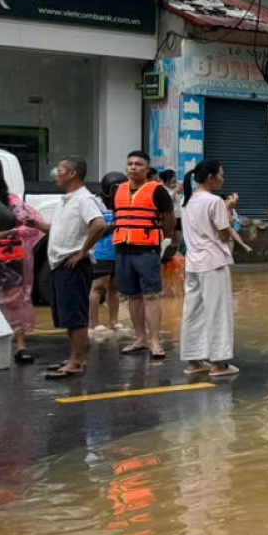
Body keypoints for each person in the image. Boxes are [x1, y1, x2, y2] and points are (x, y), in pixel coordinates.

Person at [44, 157, 106, 379]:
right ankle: (75, 356)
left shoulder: (84, 199)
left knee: (76, 316)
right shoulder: (67, 199)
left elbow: (99, 224)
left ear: (72, 174)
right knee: (68, 316)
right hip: (60, 263)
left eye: (59, 169)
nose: (55, 173)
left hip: (73, 265)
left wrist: (82, 251)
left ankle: (77, 362)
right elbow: (59, 229)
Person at [0, 166, 49, 362]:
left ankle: (20, 346)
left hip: (11, 260)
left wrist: (11, 232)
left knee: (15, 303)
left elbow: (33, 228)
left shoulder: (14, 204)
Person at [113, 151, 175, 360]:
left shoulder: (158, 191)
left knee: (151, 296)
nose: (133, 167)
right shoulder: (118, 190)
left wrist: (161, 241)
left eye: (139, 164)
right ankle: (140, 338)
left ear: (147, 169)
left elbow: (169, 220)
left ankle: (155, 340)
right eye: (130, 164)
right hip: (123, 249)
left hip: (147, 250)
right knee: (133, 296)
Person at [179, 162, 238, 377]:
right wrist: (228, 211)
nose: (223, 179)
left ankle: (194, 361)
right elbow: (223, 234)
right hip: (213, 262)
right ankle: (218, 363)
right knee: (218, 312)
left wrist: (227, 209)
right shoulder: (215, 201)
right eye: (221, 175)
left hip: (193, 262)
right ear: (211, 177)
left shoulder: (186, 200)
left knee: (192, 311)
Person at [88, 172, 124, 338]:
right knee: (98, 288)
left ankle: (113, 321)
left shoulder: (123, 206)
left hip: (118, 253)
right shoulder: (96, 205)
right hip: (101, 253)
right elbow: (96, 230)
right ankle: (93, 324)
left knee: (114, 289)